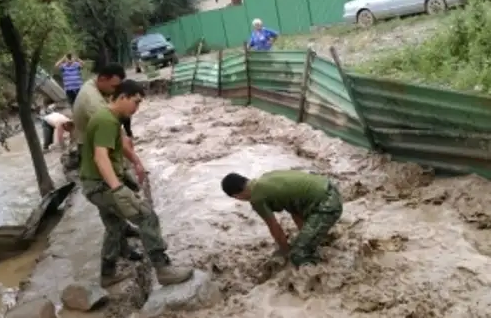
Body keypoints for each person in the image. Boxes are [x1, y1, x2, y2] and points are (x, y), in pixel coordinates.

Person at [81, 79, 194, 287]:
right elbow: (100, 157)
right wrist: (117, 188)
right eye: (136, 102)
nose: (137, 108)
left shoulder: (108, 117)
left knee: (115, 227)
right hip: (101, 185)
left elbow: (117, 146)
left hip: (92, 184)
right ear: (122, 97)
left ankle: (107, 274)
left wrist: (136, 162)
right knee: (146, 216)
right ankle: (163, 269)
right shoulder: (106, 120)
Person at [72, 63, 142, 255]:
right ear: (102, 78)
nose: (116, 91)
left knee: (112, 202)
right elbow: (114, 142)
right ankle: (120, 247)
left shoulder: (95, 87)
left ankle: (122, 234)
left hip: (96, 146)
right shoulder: (93, 102)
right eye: (114, 87)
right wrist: (135, 161)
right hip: (94, 152)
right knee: (114, 197)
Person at [220, 170, 343, 267]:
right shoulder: (266, 177)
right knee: (303, 240)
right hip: (330, 188)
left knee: (297, 255)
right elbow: (295, 210)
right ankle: (316, 239)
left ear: (237, 196)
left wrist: (286, 251)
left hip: (327, 206)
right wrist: (305, 235)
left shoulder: (257, 198)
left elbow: (274, 227)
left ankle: (320, 271)